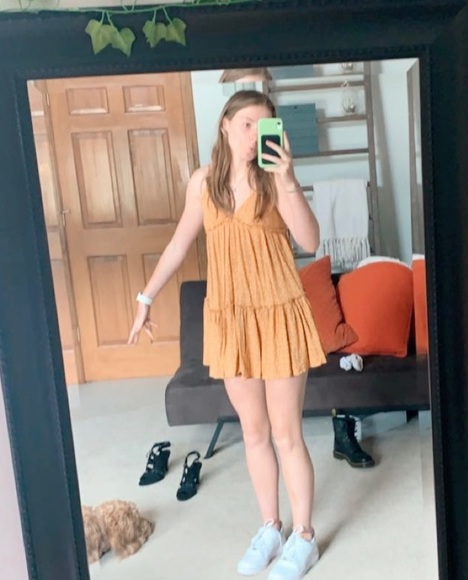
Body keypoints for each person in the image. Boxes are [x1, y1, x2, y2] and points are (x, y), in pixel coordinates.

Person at [128, 89, 326, 580]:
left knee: (286, 434)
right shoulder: (203, 183)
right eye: (246, 124)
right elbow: (179, 245)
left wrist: (289, 179)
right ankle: (271, 527)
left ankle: (304, 537)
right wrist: (145, 297)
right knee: (254, 433)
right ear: (225, 125)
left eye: (264, 126)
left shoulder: (275, 179)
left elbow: (310, 240)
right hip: (231, 321)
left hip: (278, 314)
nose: (254, 135)